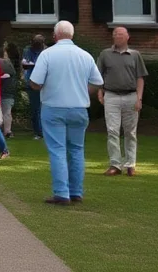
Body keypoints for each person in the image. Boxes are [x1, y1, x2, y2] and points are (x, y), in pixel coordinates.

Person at [30, 20, 103, 205]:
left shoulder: (47, 54)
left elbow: (35, 83)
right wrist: (83, 91)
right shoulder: (85, 55)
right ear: (72, 35)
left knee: (57, 150)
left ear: (55, 36)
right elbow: (97, 82)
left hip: (53, 106)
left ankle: (62, 192)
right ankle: (76, 191)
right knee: (77, 149)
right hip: (79, 107)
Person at [97, 26, 148, 176]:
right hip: (111, 95)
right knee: (112, 130)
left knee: (130, 132)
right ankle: (115, 164)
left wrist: (139, 98)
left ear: (127, 37)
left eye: (121, 34)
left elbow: (140, 78)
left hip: (131, 96)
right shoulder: (105, 54)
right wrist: (100, 91)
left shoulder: (135, 55)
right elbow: (98, 75)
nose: (117, 36)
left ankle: (130, 164)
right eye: (115, 34)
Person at [21, 35, 46, 138]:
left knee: (45, 108)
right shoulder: (28, 50)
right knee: (35, 109)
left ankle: (45, 131)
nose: (35, 47)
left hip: (45, 83)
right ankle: (38, 132)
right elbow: (25, 63)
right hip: (32, 82)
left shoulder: (47, 51)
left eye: (38, 45)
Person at [0, 43, 20, 137]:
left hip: (6, 91)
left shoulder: (7, 64)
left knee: (6, 112)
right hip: (7, 91)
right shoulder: (10, 64)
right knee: (6, 112)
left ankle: (7, 131)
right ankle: (6, 131)